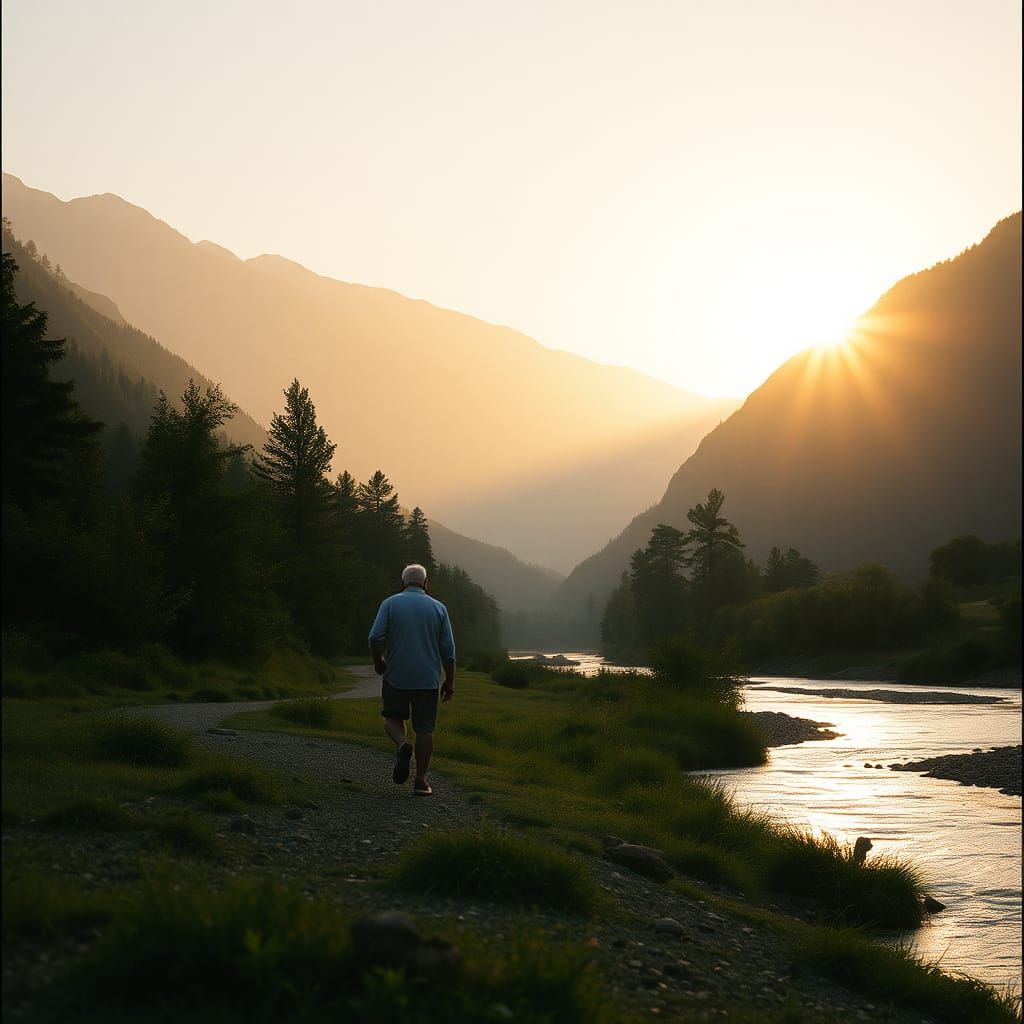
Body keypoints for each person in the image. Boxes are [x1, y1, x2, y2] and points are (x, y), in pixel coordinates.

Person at [368, 563, 455, 796]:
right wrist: (450, 681)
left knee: (392, 717)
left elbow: (375, 637)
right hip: (427, 679)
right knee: (425, 729)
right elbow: (448, 650)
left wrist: (378, 662)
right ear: (426, 584)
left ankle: (401, 745)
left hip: (396, 674)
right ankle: (420, 781)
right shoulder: (439, 608)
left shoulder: (390, 603)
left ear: (402, 583)